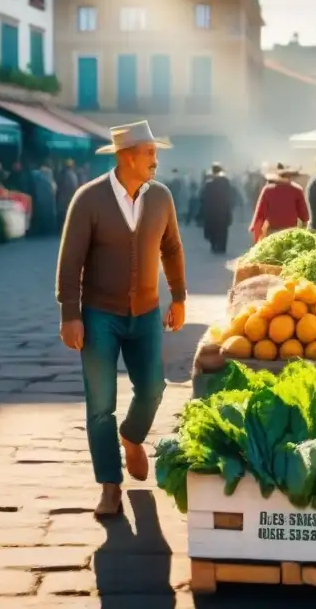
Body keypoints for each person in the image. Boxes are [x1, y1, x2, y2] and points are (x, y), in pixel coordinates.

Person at [56, 121, 186, 517]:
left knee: (153, 388)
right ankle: (109, 486)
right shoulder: (89, 198)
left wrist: (179, 296)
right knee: (100, 405)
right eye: (149, 152)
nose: (156, 160)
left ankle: (131, 437)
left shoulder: (161, 197)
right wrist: (70, 315)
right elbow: (70, 260)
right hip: (98, 316)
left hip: (146, 313)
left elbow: (173, 248)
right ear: (127, 156)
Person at [249, 163, 309, 243]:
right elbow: (304, 216)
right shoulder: (296, 189)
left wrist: (256, 234)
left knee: (273, 254)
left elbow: (260, 215)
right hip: (291, 233)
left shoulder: (268, 190)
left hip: (273, 233)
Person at [201, 163, 235, 255]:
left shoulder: (209, 184)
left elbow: (204, 198)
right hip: (223, 210)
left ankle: (214, 245)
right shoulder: (225, 182)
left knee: (213, 229)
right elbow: (229, 197)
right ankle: (222, 247)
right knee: (223, 230)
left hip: (212, 211)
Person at [56, 160, 80, 231]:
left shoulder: (62, 174)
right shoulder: (71, 174)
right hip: (69, 197)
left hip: (64, 197)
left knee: (64, 212)